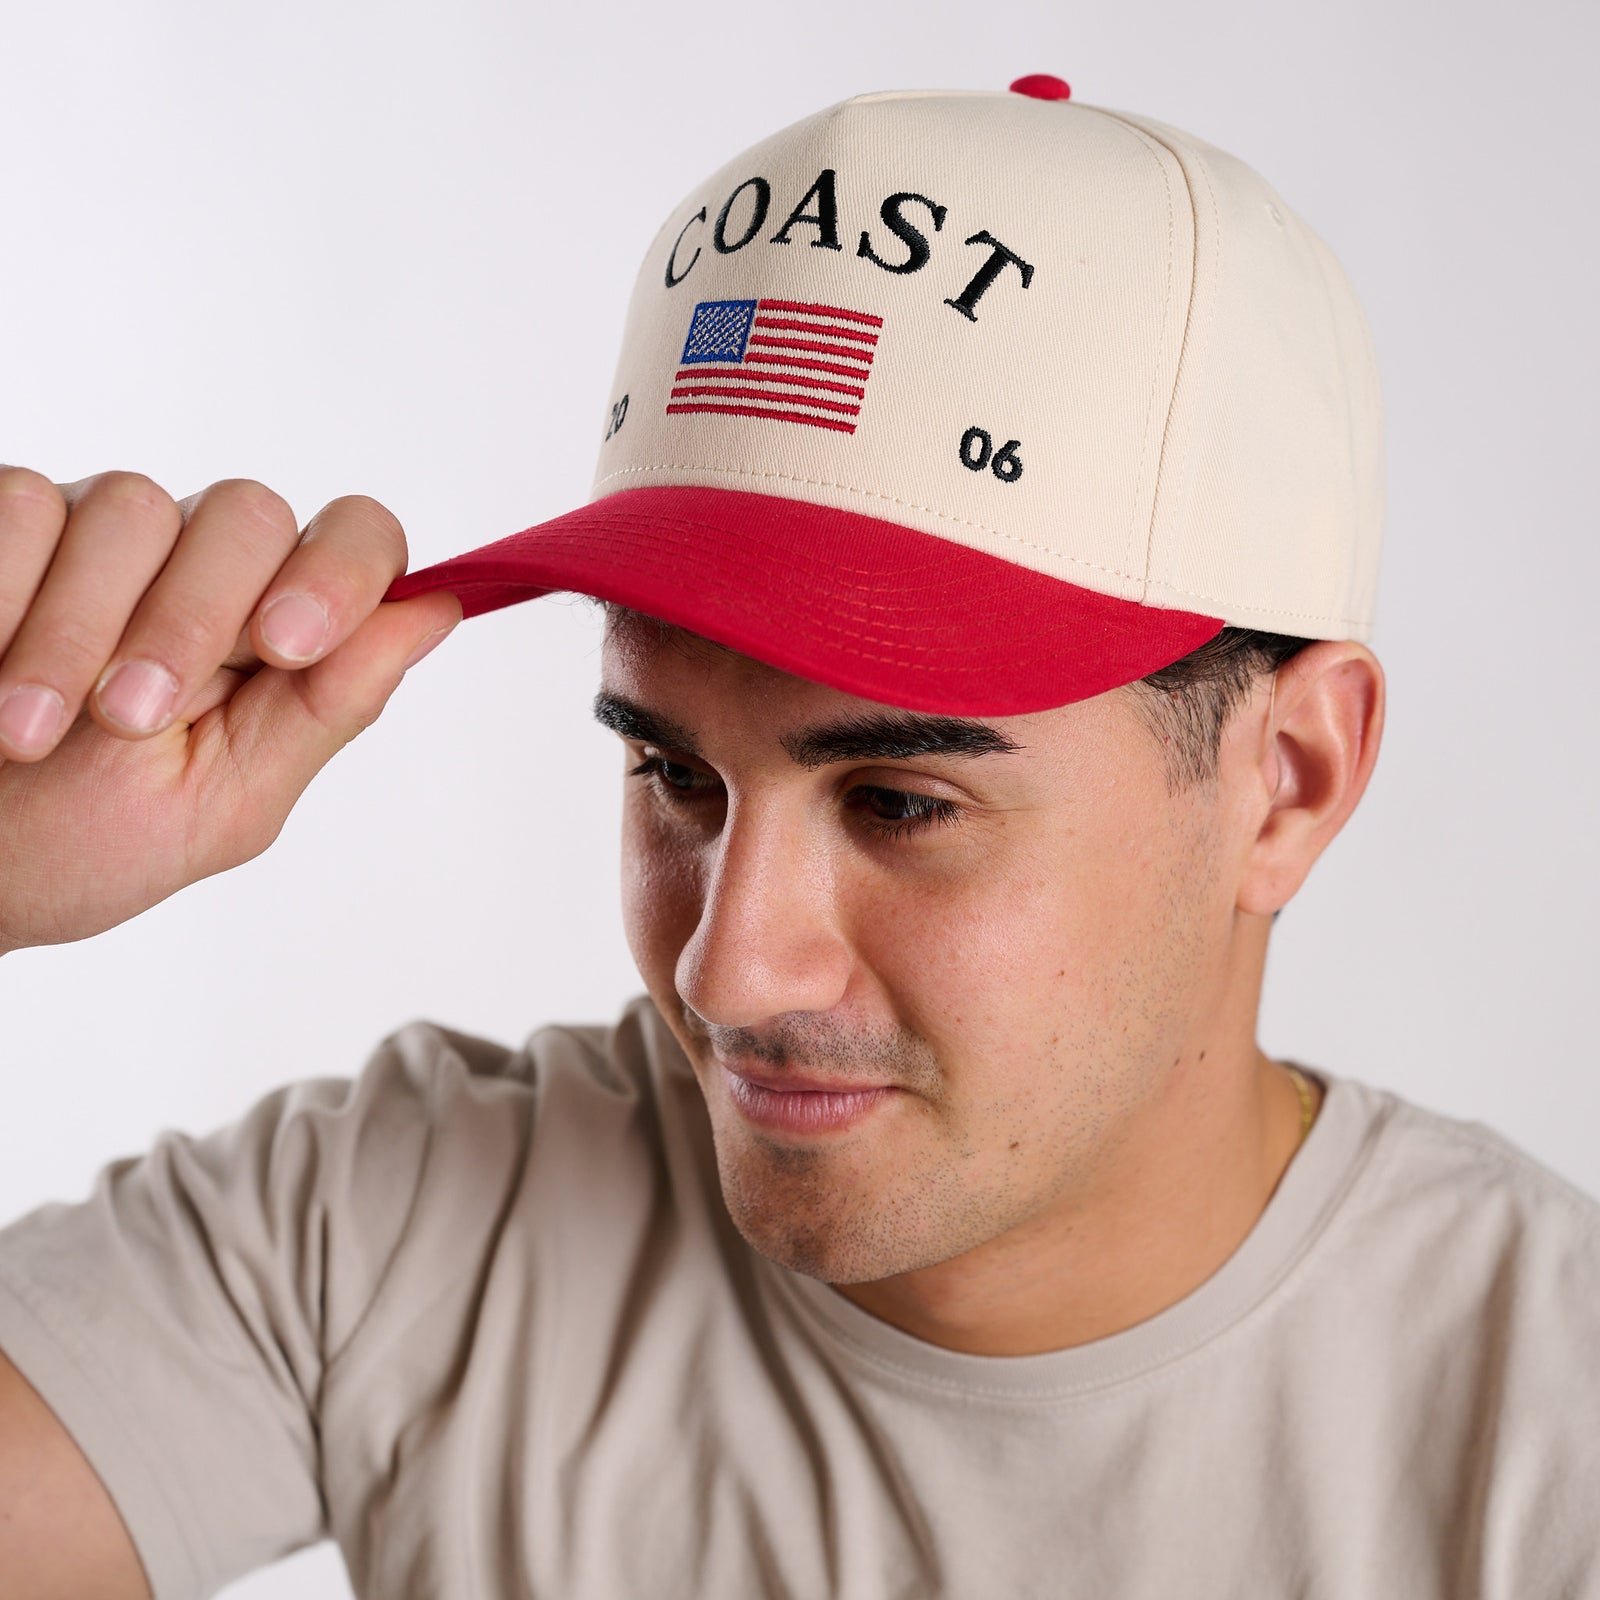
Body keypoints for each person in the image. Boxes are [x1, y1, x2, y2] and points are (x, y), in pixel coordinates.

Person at [1, 75, 1596, 1600]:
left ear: (1292, 780)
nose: (726, 964)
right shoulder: (405, 1223)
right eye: (674, 776)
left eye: (902, 803)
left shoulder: (1550, 1437)